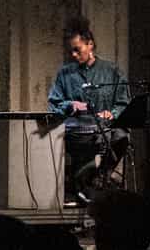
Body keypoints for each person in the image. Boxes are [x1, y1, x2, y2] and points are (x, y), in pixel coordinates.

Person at [46, 17, 129, 203]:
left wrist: (112, 113)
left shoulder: (112, 71)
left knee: (121, 136)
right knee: (86, 143)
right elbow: (53, 104)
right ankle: (84, 186)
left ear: (90, 44)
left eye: (77, 50)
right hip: (77, 129)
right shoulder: (65, 73)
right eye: (71, 51)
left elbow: (123, 102)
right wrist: (71, 105)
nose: (74, 55)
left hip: (105, 126)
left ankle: (99, 178)